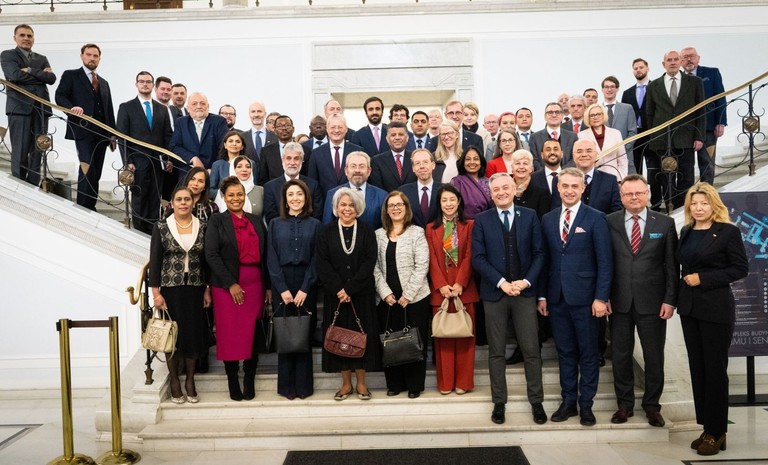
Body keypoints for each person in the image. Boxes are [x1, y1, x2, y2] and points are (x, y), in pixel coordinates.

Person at [677, 183, 748, 455]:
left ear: (714, 205)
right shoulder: (686, 231)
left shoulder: (728, 232)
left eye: (704, 203)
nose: (698, 208)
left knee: (715, 370)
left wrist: (703, 278)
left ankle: (717, 432)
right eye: (694, 203)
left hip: (716, 309)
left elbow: (740, 268)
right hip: (690, 309)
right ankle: (708, 428)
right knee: (699, 369)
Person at [539, 167, 612, 427]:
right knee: (565, 352)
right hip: (557, 299)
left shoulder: (596, 217)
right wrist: (542, 296)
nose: (569, 191)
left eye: (574, 186)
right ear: (558, 188)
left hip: (587, 300)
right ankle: (568, 401)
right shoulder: (548, 219)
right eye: (565, 186)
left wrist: (601, 297)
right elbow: (545, 260)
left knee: (589, 353)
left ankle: (586, 405)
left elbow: (605, 261)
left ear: (583, 188)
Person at [472, 173, 547, 425]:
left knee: (531, 349)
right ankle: (499, 402)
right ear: (490, 194)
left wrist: (525, 282)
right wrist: (502, 283)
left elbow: (539, 253)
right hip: (495, 294)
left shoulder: (530, 216)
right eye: (496, 189)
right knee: (496, 351)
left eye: (506, 187)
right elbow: (478, 258)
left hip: (524, 292)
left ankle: (536, 402)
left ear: (515, 189)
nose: (501, 192)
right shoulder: (482, 220)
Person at [607, 175, 678, 428]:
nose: (634, 197)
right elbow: (604, 263)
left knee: (654, 356)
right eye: (628, 194)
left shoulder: (665, 223)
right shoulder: (609, 222)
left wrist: (670, 300)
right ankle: (624, 405)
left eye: (639, 193)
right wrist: (603, 296)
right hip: (619, 302)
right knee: (620, 356)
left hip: (653, 303)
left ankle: (652, 406)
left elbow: (672, 266)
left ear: (648, 194)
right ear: (621, 197)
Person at [205, 177, 270, 401]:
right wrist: (230, 283)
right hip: (226, 286)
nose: (236, 198)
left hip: (255, 284)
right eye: (231, 195)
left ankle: (249, 377)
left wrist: (268, 286)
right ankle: (232, 379)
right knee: (229, 332)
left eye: (239, 194)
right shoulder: (217, 220)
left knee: (252, 332)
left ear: (245, 196)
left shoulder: (256, 220)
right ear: (224, 198)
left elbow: (266, 255)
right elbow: (211, 254)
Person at [315, 188, 380, 401]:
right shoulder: (326, 231)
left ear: (358, 208)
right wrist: (339, 290)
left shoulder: (367, 230)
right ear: (336, 207)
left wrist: (350, 289)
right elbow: (322, 263)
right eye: (343, 204)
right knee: (339, 339)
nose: (347, 209)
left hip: (361, 294)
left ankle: (361, 383)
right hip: (335, 296)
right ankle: (345, 384)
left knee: (361, 337)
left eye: (351, 205)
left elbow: (369, 261)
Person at [148, 186, 210, 404]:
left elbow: (206, 261)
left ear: (193, 203)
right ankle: (174, 380)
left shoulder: (202, 226)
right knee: (172, 336)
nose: (183, 203)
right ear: (172, 203)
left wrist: (208, 288)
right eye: (179, 199)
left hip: (195, 288)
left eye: (187, 199)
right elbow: (155, 261)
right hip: (170, 290)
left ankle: (190, 381)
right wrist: (156, 293)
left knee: (192, 335)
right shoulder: (161, 227)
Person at [267, 179, 322, 400]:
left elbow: (317, 258)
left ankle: (304, 387)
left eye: (299, 194)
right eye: (291, 194)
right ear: (285, 199)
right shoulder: (274, 223)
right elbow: (271, 257)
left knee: (303, 334)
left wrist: (305, 288)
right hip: (281, 283)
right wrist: (281, 288)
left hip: (306, 283)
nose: (295, 198)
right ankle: (286, 387)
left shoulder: (315, 224)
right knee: (285, 334)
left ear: (306, 197)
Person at [374, 191, 431, 398]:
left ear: (406, 208)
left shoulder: (417, 232)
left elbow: (422, 265)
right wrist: (385, 293)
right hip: (387, 299)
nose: (396, 208)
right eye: (392, 205)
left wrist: (408, 294)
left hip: (415, 298)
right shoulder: (378, 235)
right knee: (391, 342)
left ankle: (415, 385)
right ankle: (394, 384)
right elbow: (374, 268)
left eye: (400, 205)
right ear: (386, 210)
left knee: (414, 341)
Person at [426, 185, 479, 395]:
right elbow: (431, 258)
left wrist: (460, 283)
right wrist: (440, 284)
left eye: (452, 200)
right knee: (444, 339)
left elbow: (470, 255)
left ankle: (463, 383)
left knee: (465, 337)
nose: (448, 204)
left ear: (459, 202)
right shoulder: (431, 228)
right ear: (439, 204)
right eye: (444, 200)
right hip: (441, 291)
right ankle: (445, 383)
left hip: (464, 290)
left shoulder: (470, 225)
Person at [55, 43, 116, 211]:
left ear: (99, 59)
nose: (92, 58)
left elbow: (109, 109)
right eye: (89, 55)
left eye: (95, 56)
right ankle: (83, 205)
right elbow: (60, 96)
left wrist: (113, 134)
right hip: (83, 130)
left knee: (97, 171)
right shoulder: (71, 75)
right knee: (87, 167)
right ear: (82, 56)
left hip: (102, 134)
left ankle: (91, 205)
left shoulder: (104, 83)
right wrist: (71, 108)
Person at [645, 50, 705, 209]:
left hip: (687, 137)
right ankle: (671, 207)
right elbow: (650, 113)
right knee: (666, 176)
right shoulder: (653, 86)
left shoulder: (695, 82)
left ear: (680, 62)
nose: (672, 62)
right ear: (663, 64)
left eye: (675, 59)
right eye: (669, 60)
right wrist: (654, 137)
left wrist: (699, 136)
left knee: (687, 174)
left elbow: (701, 111)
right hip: (662, 139)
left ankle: (683, 207)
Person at [116, 71, 173, 234]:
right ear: (137, 84)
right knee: (139, 199)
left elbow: (168, 136)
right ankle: (139, 233)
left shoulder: (162, 109)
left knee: (155, 199)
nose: (145, 84)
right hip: (137, 162)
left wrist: (169, 159)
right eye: (142, 81)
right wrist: (127, 161)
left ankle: (151, 234)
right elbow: (122, 137)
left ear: (153, 85)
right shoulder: (126, 107)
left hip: (157, 163)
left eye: (148, 81)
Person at [2, 24, 56, 187]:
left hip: (41, 108)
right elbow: (14, 75)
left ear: (33, 39)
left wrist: (31, 70)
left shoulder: (41, 58)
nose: (26, 38)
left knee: (38, 150)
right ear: (15, 38)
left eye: (29, 36)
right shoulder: (7, 55)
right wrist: (41, 76)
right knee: (20, 150)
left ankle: (32, 186)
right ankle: (19, 186)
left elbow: (51, 79)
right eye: (22, 35)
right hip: (19, 108)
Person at [681, 47, 727, 185]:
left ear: (698, 58)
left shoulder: (711, 73)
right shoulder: (677, 78)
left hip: (708, 127)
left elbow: (720, 98)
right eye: (685, 57)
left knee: (707, 164)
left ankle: (707, 193)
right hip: (685, 130)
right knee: (685, 167)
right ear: (681, 61)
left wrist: (721, 122)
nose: (689, 59)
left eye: (692, 56)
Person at [322, 151, 387, 229]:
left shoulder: (381, 196)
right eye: (353, 166)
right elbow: (326, 227)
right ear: (346, 171)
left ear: (369, 171)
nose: (357, 170)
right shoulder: (332, 194)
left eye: (362, 166)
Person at [168, 92, 228, 171]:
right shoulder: (181, 122)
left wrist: (214, 169)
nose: (199, 106)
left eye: (202, 103)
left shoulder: (219, 121)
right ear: (188, 108)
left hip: (213, 171)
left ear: (208, 106)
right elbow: (174, 146)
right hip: (188, 171)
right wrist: (192, 158)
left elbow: (224, 147)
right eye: (194, 104)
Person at [579, 103, 628, 182]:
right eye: (592, 115)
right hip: (592, 179)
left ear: (603, 115)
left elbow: (622, 159)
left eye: (598, 114)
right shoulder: (581, 135)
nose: (596, 117)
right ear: (588, 118)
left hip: (614, 178)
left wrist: (621, 179)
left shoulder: (616, 133)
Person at [401, 148, 444, 228]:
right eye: (417, 163)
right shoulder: (403, 192)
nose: (422, 166)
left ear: (433, 165)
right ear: (413, 168)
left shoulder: (444, 190)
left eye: (425, 162)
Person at [528, 102, 577, 171]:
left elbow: (574, 158)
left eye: (557, 112)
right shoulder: (534, 137)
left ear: (562, 116)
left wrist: (560, 172)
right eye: (550, 112)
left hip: (567, 174)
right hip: (543, 176)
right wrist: (547, 173)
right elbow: (534, 160)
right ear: (545, 116)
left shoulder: (572, 136)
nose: (554, 115)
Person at [450, 146, 492, 219]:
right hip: (463, 223)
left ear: (481, 162)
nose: (472, 162)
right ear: (463, 163)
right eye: (468, 159)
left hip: (486, 222)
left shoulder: (489, 183)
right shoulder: (456, 182)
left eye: (476, 159)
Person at [510, 150, 551, 219]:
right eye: (517, 163)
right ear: (512, 167)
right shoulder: (505, 187)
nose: (521, 167)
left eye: (525, 163)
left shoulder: (542, 191)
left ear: (531, 168)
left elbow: (543, 219)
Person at [210, 130, 250, 199]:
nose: (234, 144)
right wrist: (226, 195)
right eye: (231, 141)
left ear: (242, 146)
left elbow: (254, 186)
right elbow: (211, 189)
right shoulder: (217, 165)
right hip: (222, 201)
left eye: (238, 142)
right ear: (225, 145)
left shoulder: (250, 164)